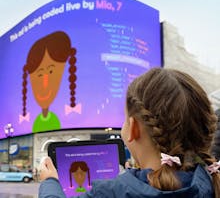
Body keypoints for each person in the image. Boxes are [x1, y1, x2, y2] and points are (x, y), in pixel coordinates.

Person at [38, 67, 220, 198]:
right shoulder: (211, 182)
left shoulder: (109, 192)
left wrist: (50, 182)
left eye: (124, 119)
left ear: (133, 128)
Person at [21, 31, 77, 133]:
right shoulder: (36, 121)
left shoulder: (57, 119)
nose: (45, 83)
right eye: (39, 75)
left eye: (51, 72)